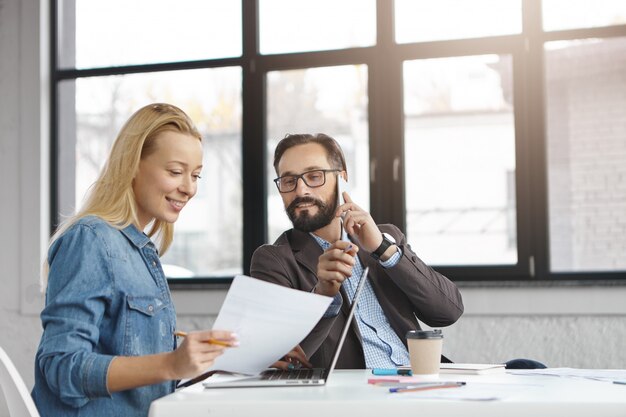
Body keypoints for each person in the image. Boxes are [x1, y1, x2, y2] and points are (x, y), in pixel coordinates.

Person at [31, 103, 238, 417]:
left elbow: (146, 377)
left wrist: (218, 362)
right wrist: (171, 363)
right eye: (175, 172)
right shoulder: (91, 239)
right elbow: (62, 367)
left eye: (195, 175)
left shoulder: (141, 251)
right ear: (132, 165)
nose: (189, 188)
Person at [250, 133, 464, 369]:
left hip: (417, 382)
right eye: (289, 181)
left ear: (342, 179)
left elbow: (448, 312)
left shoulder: (385, 237)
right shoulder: (275, 260)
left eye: (314, 176)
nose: (301, 191)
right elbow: (285, 359)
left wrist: (384, 250)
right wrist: (323, 294)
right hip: (356, 397)